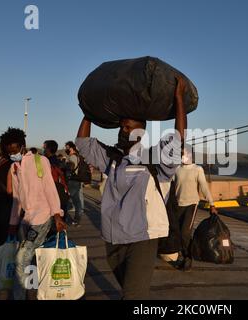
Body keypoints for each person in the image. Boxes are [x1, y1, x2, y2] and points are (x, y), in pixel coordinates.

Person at [74, 76, 187, 299]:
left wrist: (179, 98)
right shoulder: (113, 159)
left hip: (142, 238)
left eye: (128, 127)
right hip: (112, 237)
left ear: (140, 133)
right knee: (131, 290)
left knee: (133, 296)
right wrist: (90, 109)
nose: (123, 131)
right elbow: (83, 144)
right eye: (121, 127)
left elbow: (178, 139)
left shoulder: (154, 159)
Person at [6, 128, 66, 300]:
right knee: (31, 259)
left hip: (42, 217)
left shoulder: (41, 161)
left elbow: (50, 188)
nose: (13, 154)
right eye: (10, 152)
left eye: (15, 150)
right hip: (26, 220)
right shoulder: (14, 167)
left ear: (23, 146)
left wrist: (57, 215)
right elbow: (17, 199)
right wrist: (12, 224)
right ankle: (33, 292)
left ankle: (23, 296)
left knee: (22, 257)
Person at [173, 146, 218, 271]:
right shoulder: (176, 169)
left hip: (191, 204)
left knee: (185, 233)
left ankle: (188, 257)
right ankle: (185, 253)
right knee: (177, 234)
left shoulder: (197, 169)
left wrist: (212, 204)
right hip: (178, 205)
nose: (182, 156)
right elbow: (170, 187)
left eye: (184, 154)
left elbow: (204, 186)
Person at [43, 140, 70, 224]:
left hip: (52, 191)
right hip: (61, 191)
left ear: (48, 149)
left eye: (44, 147)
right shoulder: (60, 162)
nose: (43, 149)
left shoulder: (46, 162)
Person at [64, 141, 84, 226]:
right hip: (77, 180)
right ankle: (77, 220)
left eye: (67, 147)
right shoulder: (79, 156)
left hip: (72, 180)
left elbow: (71, 167)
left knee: (65, 199)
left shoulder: (72, 157)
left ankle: (63, 218)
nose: (66, 149)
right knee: (77, 201)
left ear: (71, 148)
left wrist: (65, 166)